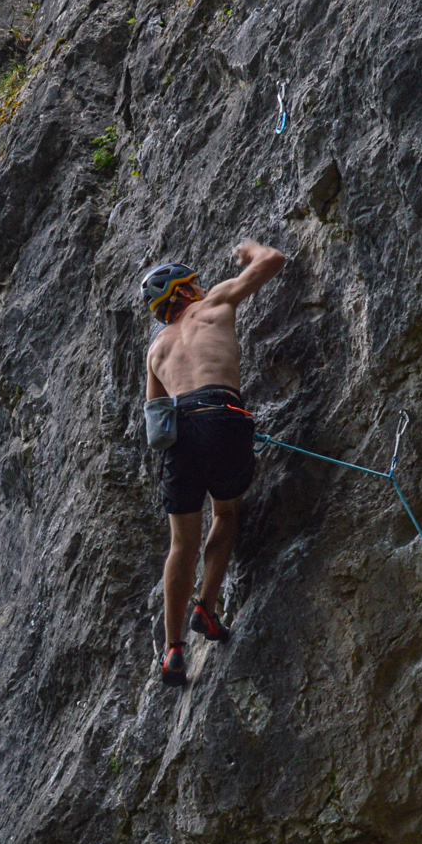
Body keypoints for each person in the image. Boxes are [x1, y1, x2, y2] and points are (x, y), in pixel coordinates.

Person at [140, 241, 286, 685]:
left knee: (181, 543)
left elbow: (155, 420)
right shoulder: (213, 304)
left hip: (180, 430)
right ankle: (206, 605)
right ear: (184, 292)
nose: (202, 287)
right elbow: (274, 262)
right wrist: (250, 249)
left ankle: (173, 651)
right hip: (223, 415)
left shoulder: (156, 352)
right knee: (225, 511)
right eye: (194, 283)